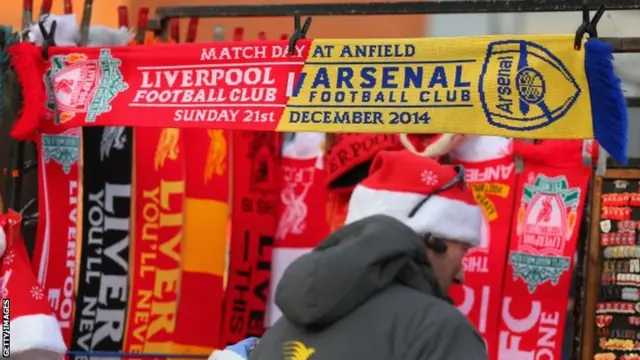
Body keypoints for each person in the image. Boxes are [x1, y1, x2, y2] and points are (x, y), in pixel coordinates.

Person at [247, 150, 488, 360]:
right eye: (463, 250)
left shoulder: (279, 333)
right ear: (430, 241)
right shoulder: (438, 332)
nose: (461, 276)